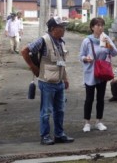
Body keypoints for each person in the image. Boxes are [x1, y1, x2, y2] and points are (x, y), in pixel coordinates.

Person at [21, 16, 74, 145]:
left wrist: (65, 78)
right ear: (52, 29)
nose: (63, 30)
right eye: (61, 27)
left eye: (64, 27)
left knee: (60, 110)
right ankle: (45, 136)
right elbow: (24, 51)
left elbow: (61, 62)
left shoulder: (61, 42)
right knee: (46, 111)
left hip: (59, 82)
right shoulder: (43, 41)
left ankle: (59, 134)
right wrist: (33, 67)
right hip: (46, 82)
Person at [79, 17, 117, 133]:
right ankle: (87, 123)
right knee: (89, 99)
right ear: (92, 27)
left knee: (100, 98)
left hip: (102, 73)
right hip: (90, 72)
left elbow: (115, 53)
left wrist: (108, 44)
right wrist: (86, 58)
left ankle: (99, 121)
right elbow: (80, 56)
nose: (100, 28)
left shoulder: (105, 38)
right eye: (97, 25)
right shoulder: (87, 41)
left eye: (102, 25)